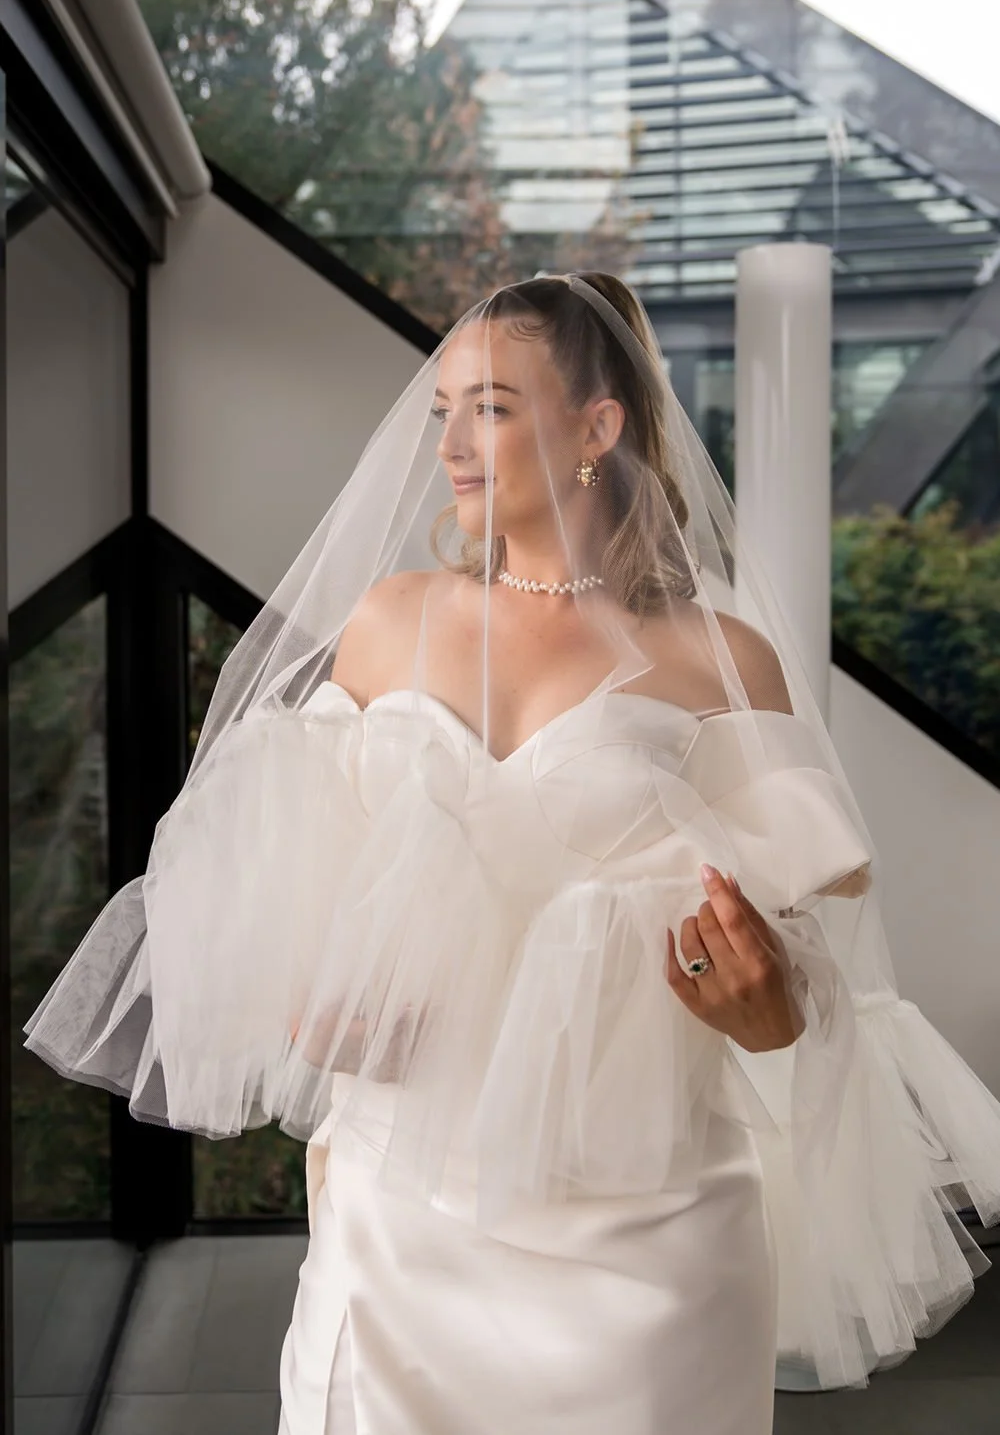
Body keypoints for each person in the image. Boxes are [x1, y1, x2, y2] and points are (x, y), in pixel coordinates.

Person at [23, 273, 1000, 1435]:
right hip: (399, 1227)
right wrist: (310, 1004)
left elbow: (798, 991)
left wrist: (763, 1003)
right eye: (441, 411)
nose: (448, 444)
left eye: (486, 406)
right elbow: (282, 908)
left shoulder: (715, 656)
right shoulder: (390, 622)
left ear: (598, 426)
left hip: (650, 1242)